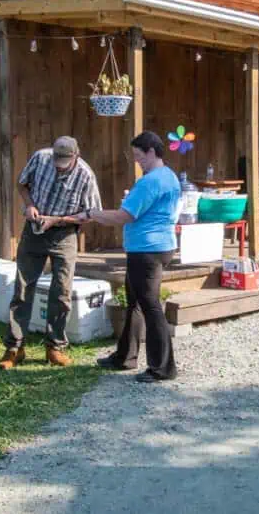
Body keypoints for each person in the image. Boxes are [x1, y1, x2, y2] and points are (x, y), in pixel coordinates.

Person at [70, 131, 180, 383]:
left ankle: (163, 368)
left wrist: (92, 214)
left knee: (150, 306)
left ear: (152, 151)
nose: (137, 161)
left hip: (147, 251)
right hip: (159, 246)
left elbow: (124, 216)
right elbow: (146, 208)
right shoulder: (169, 176)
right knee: (136, 303)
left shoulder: (150, 181)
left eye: (139, 156)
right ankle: (125, 356)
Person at [0, 136, 102, 370]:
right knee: (23, 288)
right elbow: (21, 184)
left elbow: (91, 213)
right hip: (34, 230)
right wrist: (30, 205)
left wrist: (58, 220)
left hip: (64, 234)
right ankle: (14, 347)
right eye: (57, 159)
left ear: (76, 155)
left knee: (62, 291)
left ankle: (55, 347)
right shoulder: (40, 158)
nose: (58, 165)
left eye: (64, 161)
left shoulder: (86, 175)